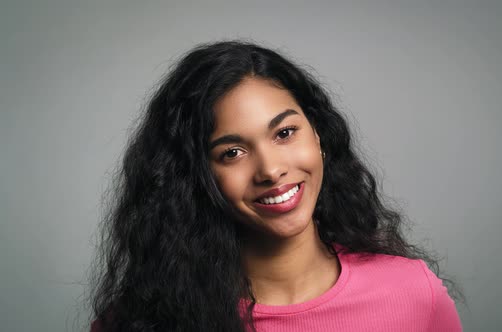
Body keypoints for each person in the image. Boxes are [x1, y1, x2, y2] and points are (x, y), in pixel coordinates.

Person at [88, 40, 463, 331]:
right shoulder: (139, 322)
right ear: (195, 177)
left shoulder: (413, 295)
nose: (270, 170)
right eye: (232, 152)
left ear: (318, 135)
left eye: (284, 133)